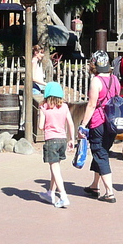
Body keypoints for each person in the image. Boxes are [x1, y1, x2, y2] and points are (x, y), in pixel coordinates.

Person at [81, 50, 120, 203]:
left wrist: (83, 125)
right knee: (102, 150)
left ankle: (109, 192)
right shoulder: (115, 79)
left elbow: (91, 105)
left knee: (100, 153)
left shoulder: (96, 81)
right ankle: (94, 185)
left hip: (98, 121)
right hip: (112, 122)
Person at [39, 81, 75, 209]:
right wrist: (72, 139)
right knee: (56, 166)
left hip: (51, 139)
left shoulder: (44, 107)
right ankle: (50, 192)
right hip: (62, 140)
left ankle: (63, 196)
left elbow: (40, 126)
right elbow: (70, 123)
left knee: (55, 169)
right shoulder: (64, 107)